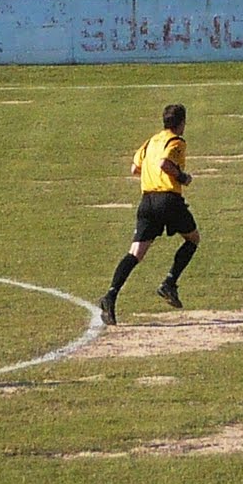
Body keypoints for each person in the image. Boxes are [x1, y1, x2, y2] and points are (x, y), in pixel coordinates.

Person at [98, 104, 202, 326]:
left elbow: (135, 168)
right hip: (168, 200)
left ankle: (110, 295)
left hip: (147, 202)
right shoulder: (176, 141)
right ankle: (169, 283)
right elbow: (165, 163)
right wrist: (182, 177)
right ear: (181, 123)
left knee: (135, 253)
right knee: (193, 239)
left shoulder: (151, 142)